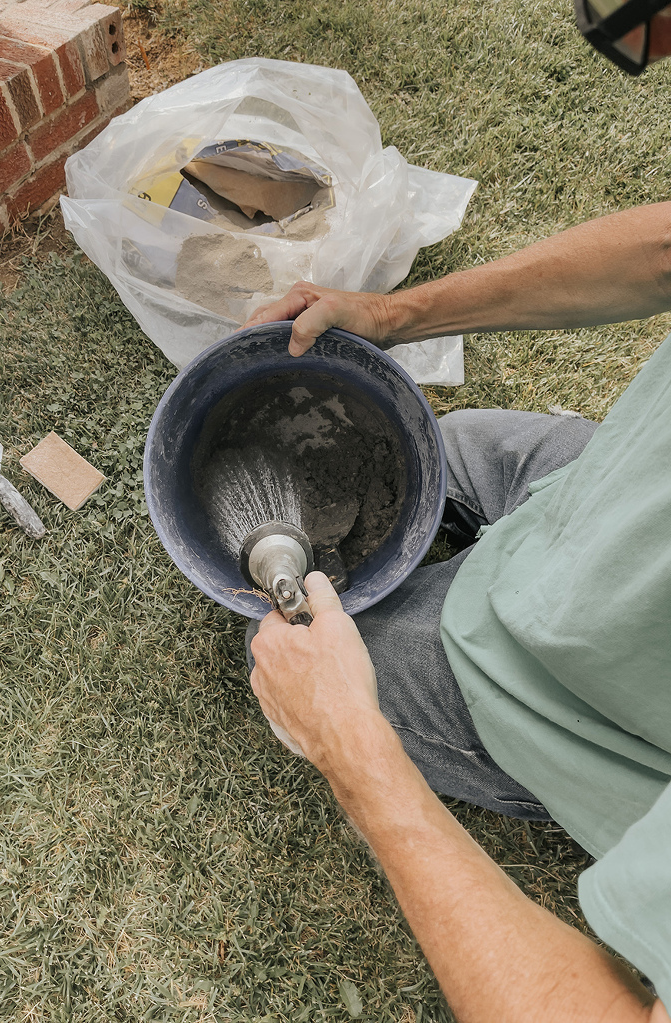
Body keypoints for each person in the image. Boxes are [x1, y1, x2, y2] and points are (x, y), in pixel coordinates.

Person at [243, 1, 671, 1020]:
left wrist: (358, 754)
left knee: (279, 667)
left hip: (590, 683)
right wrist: (395, 315)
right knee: (450, 446)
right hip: (603, 486)